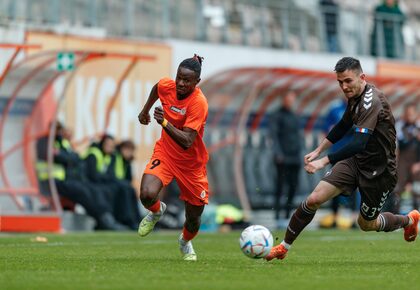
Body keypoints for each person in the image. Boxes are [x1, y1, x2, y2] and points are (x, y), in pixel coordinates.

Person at [265, 57, 420, 262]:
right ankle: (283, 247)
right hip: (356, 162)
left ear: (362, 77)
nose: (343, 87)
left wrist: (324, 160)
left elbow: (359, 142)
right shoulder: (354, 96)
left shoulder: (372, 101)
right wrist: (318, 150)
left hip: (379, 171)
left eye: (347, 81)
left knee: (366, 224)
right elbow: (343, 125)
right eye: (340, 82)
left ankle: (408, 220)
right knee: (314, 199)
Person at [137, 54, 209, 261]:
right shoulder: (167, 86)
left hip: (191, 165)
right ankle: (157, 211)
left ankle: (185, 242)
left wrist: (165, 123)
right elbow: (157, 88)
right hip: (166, 154)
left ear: (197, 82)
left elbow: (187, 140)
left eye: (187, 80)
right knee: (146, 194)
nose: (180, 83)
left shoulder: (199, 103)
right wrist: (145, 111)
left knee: (193, 219)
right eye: (179, 77)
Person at [36, 122, 126, 231]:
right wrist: (67, 157)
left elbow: (74, 158)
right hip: (50, 181)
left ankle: (104, 218)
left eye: (60, 130)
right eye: (57, 130)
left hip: (64, 181)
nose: (59, 133)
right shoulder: (44, 142)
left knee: (92, 190)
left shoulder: (61, 143)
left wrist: (65, 156)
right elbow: (66, 158)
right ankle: (103, 219)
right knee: (83, 191)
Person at [84, 135, 140, 230]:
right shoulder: (102, 154)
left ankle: (136, 219)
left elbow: (128, 178)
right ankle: (128, 220)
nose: (129, 153)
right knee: (124, 189)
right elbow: (98, 175)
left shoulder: (119, 158)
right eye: (127, 149)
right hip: (97, 184)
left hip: (109, 183)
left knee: (129, 189)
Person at [269, 90, 302, 227]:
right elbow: (274, 135)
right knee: (280, 186)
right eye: (289, 98)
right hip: (283, 157)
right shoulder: (277, 115)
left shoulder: (294, 116)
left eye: (293, 99)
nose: (291, 101)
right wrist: (278, 153)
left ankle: (288, 215)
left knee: (293, 186)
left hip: (295, 156)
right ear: (283, 99)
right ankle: (277, 216)